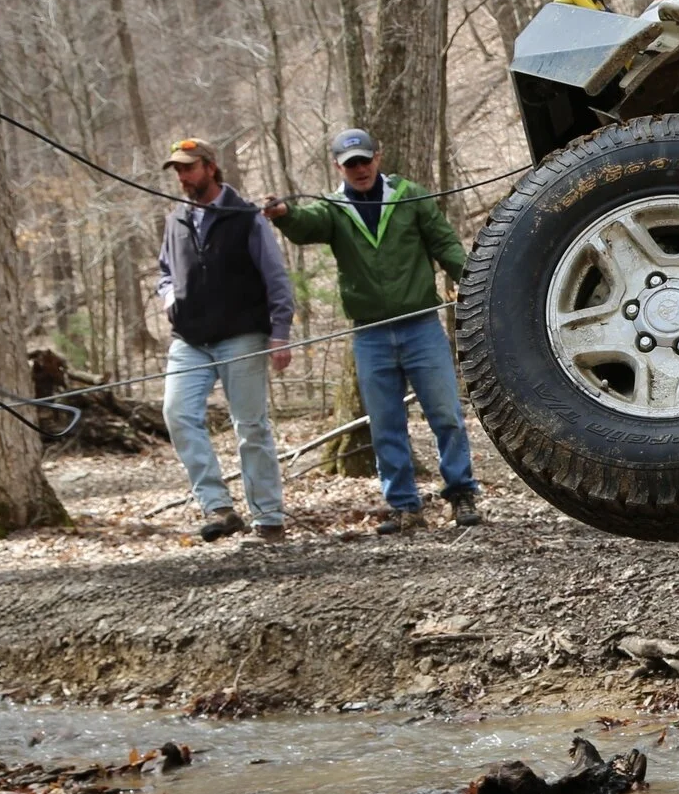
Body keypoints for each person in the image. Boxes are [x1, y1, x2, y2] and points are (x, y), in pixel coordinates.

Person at [263, 130, 481, 532]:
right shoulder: (334, 208)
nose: (360, 170)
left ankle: (461, 493)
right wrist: (283, 215)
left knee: (446, 414)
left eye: (365, 161)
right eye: (351, 164)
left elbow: (446, 244)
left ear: (378, 157)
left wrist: (475, 283)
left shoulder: (410, 196)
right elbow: (306, 223)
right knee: (385, 424)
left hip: (421, 328)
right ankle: (404, 506)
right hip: (370, 335)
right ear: (338, 168)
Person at [154, 137, 294, 542]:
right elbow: (164, 270)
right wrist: (168, 298)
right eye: (178, 169)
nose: (182, 176)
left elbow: (276, 278)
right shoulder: (175, 219)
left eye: (189, 167)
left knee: (250, 426)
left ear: (210, 167)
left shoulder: (246, 216)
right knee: (177, 414)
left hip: (242, 335)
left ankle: (268, 518)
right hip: (189, 338)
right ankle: (217, 505)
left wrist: (280, 333)